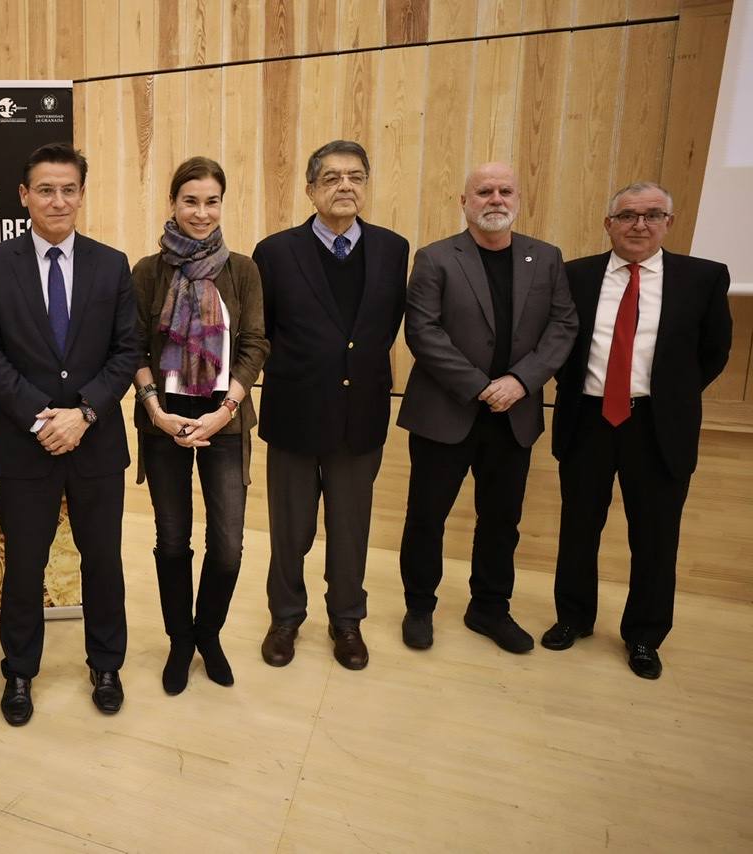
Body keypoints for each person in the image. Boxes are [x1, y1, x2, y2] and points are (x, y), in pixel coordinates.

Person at [0, 143, 139, 726]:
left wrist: (84, 412)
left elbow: (126, 351)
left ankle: (107, 664)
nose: (58, 200)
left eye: (69, 189)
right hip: (26, 444)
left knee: (103, 561)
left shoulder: (112, 264)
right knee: (24, 565)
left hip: (95, 441)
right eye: (45, 189)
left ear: (82, 195)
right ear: (24, 195)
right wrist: (42, 416)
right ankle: (19, 671)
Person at [543, 182, 732, 678]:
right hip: (588, 418)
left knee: (655, 537)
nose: (639, 225)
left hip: (657, 425)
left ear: (669, 223)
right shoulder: (574, 276)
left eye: (652, 215)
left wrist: (669, 394)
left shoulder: (703, 278)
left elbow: (714, 352)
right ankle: (573, 619)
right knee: (579, 528)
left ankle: (644, 636)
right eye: (627, 215)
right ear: (608, 224)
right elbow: (558, 344)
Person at [397, 162, 577, 654]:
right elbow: (423, 332)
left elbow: (563, 327)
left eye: (504, 190)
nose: (495, 199)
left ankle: (490, 609)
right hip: (445, 412)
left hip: (514, 417)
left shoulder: (546, 258)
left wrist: (521, 381)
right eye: (483, 191)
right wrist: (482, 386)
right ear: (464, 201)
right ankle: (420, 606)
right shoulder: (435, 259)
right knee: (426, 516)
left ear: (519, 199)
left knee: (502, 519)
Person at [252, 140, 409, 671]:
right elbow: (263, 331)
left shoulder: (393, 249)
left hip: (359, 415)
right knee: (289, 530)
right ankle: (286, 617)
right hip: (295, 413)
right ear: (311, 189)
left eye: (357, 177)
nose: (346, 186)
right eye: (333, 177)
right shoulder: (274, 252)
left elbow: (381, 328)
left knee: (350, 530)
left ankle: (347, 620)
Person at [130, 156, 269, 695]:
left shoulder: (243, 270)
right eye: (191, 200)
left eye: (212, 201)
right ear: (173, 203)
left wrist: (227, 407)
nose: (201, 212)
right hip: (163, 418)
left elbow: (256, 344)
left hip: (224, 417)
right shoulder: (147, 271)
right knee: (171, 540)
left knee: (229, 544)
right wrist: (153, 408)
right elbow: (134, 346)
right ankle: (179, 641)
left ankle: (207, 634)